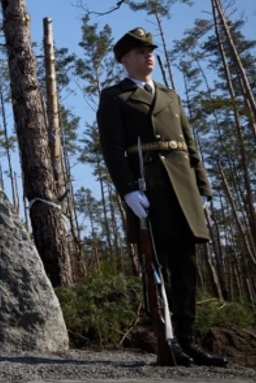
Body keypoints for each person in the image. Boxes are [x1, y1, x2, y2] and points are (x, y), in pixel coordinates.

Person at [96, 27, 227, 367]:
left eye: (150, 50)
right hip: (149, 192)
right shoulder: (115, 97)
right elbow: (112, 150)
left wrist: (202, 188)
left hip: (182, 191)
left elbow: (189, 144)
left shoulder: (170, 96)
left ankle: (189, 340)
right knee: (158, 268)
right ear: (124, 59)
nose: (148, 55)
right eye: (140, 51)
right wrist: (127, 191)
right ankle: (167, 341)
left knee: (186, 267)